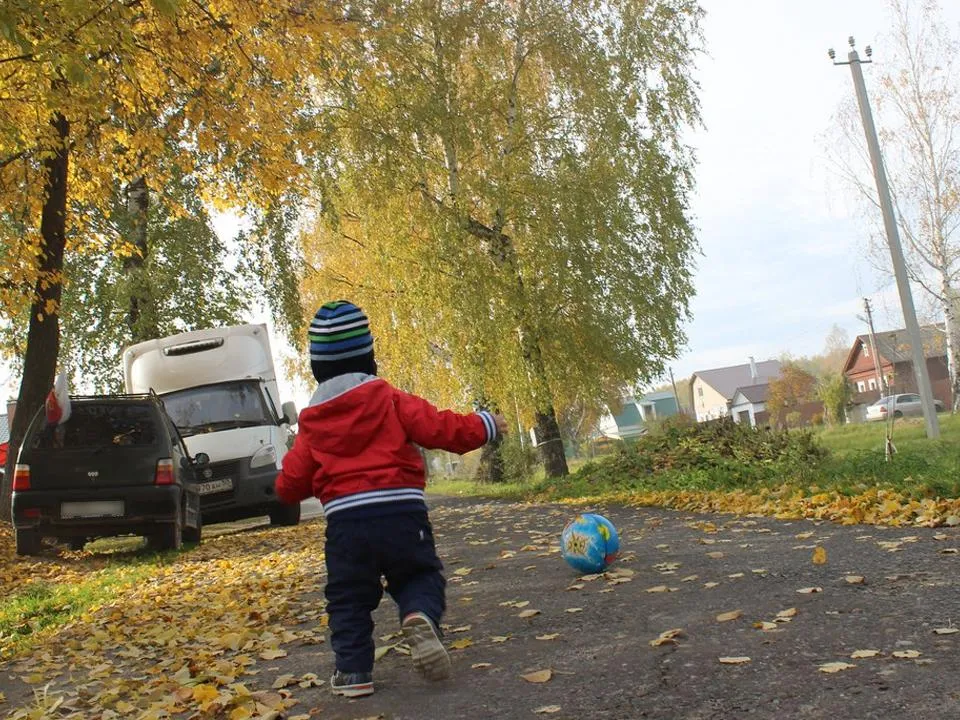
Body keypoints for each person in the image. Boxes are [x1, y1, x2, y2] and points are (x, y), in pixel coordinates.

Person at [274, 301, 507, 698]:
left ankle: (353, 672)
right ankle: (419, 614)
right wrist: (484, 425)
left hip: (347, 525)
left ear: (316, 368)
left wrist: (287, 484)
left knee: (348, 596)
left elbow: (292, 484)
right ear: (370, 356)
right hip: (402, 513)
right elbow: (440, 428)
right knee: (418, 574)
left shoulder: (312, 422)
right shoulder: (390, 398)